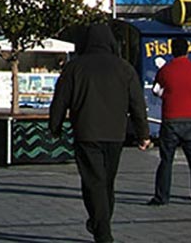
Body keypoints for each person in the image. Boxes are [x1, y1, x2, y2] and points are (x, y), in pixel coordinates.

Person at [49, 23, 151, 243]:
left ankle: (101, 227)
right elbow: (137, 104)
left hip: (86, 132)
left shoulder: (74, 68)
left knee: (93, 181)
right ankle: (100, 222)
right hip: (115, 134)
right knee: (107, 182)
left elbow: (60, 101)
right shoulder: (124, 68)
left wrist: (54, 127)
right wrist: (143, 133)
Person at [148, 37, 191, 206]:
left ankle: (162, 196)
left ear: (172, 50)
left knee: (166, 160)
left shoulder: (166, 70)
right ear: (187, 50)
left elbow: (156, 90)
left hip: (171, 118)